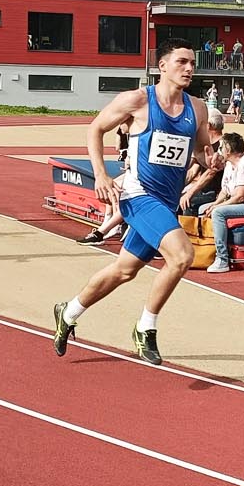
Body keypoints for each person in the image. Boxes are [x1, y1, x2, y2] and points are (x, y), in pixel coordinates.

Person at [52, 39, 216, 366]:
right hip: (137, 195)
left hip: (166, 203)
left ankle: (67, 311)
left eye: (192, 63)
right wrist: (100, 175)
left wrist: (209, 157)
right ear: (163, 66)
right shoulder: (138, 101)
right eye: (182, 62)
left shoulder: (197, 108)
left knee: (124, 271)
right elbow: (95, 129)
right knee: (182, 256)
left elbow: (199, 148)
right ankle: (145, 328)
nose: (189, 68)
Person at [198, 132, 244, 273]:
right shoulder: (229, 165)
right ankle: (206, 250)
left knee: (218, 213)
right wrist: (214, 203)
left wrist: (217, 207)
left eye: (221, 147)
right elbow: (225, 191)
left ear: (228, 149)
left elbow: (241, 196)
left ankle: (222, 259)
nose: (219, 150)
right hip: (242, 202)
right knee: (203, 208)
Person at [179, 108, 226, 214]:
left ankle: (189, 230)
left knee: (187, 203)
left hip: (217, 191)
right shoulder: (203, 145)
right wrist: (175, 186)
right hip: (204, 189)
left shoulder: (223, 145)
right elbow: (192, 171)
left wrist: (189, 193)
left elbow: (210, 173)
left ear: (208, 125)